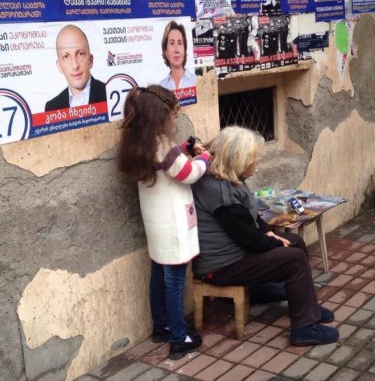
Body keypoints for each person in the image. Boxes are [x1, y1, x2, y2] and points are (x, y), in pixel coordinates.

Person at [191, 126, 340, 346]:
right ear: (238, 159)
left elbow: (250, 217)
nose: (256, 163)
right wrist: (272, 240)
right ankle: (304, 328)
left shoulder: (228, 178)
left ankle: (303, 306)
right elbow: (248, 237)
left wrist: (268, 231)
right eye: (253, 158)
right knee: (294, 258)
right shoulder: (220, 192)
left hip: (236, 255)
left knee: (295, 242)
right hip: (220, 268)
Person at [117, 85, 210, 361]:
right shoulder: (162, 143)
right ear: (160, 115)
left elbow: (168, 162)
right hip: (173, 224)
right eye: (173, 114)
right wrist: (204, 157)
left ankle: (161, 326)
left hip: (156, 225)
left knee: (158, 273)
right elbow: (187, 173)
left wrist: (183, 148)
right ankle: (179, 337)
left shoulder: (139, 141)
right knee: (175, 280)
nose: (174, 119)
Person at [45, 25, 106, 112]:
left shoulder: (110, 95)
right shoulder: (51, 108)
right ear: (59, 67)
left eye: (80, 54)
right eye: (66, 56)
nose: (75, 65)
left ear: (90, 60)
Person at [159, 21, 195, 91]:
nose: (176, 50)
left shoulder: (196, 81)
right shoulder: (161, 87)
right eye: (172, 43)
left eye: (180, 43)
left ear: (185, 50)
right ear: (165, 52)